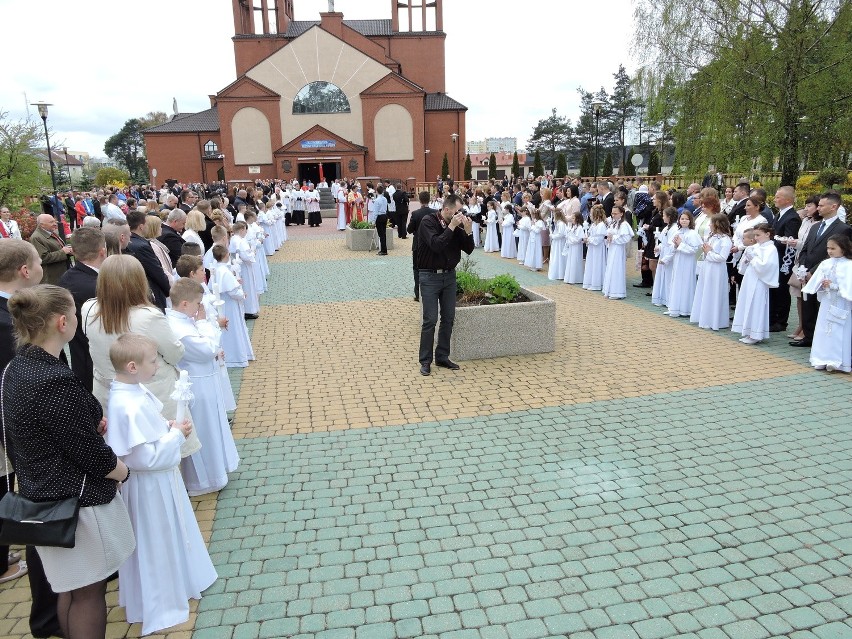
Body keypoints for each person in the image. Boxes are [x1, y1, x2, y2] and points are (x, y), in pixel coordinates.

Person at [3, 284, 135, 639]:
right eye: (75, 314)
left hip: (42, 496)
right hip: (75, 503)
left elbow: (37, 429)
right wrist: (121, 470)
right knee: (89, 592)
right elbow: (90, 454)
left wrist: (85, 421)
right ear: (63, 322)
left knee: (71, 588)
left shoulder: (18, 368)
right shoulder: (52, 379)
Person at [104, 333, 216, 635]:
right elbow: (145, 458)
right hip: (148, 486)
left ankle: (179, 581)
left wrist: (166, 427)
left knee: (166, 534)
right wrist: (176, 436)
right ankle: (160, 600)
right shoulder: (128, 404)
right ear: (131, 366)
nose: (157, 365)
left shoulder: (131, 392)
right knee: (156, 539)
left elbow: (146, 436)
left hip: (155, 483)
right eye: (152, 361)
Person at [82, 255, 200, 458]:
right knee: (163, 452)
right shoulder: (148, 316)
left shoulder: (89, 309)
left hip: (109, 394)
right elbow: (175, 352)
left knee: (123, 454)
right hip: (152, 394)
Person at [167, 278, 240, 495]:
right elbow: (206, 348)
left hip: (205, 380)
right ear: (185, 304)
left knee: (213, 427)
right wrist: (203, 323)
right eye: (198, 303)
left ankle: (218, 470)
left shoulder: (183, 319)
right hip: (197, 385)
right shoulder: (180, 326)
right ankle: (205, 480)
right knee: (205, 430)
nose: (200, 308)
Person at [415, 193, 474, 375]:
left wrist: (468, 230)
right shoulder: (428, 221)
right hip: (429, 277)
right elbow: (436, 245)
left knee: (448, 318)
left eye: (461, 212)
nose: (459, 215)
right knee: (430, 320)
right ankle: (425, 360)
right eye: (457, 212)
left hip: (449, 277)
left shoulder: (455, 225)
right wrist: (452, 226)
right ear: (447, 209)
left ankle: (442, 356)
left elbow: (469, 249)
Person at [792, 192, 852, 347]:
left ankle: (823, 339)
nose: (818, 208)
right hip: (807, 271)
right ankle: (809, 336)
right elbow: (805, 248)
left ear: (834, 206)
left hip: (826, 273)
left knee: (822, 306)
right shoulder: (815, 226)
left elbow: (836, 253)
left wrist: (815, 270)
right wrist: (804, 268)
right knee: (808, 304)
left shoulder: (844, 228)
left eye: (821, 205)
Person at [58, 227, 106, 392]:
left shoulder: (66, 278)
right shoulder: (99, 285)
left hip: (79, 353)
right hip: (99, 360)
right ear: (102, 251)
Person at [801, 235, 852, 372]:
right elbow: (815, 282)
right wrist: (820, 285)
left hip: (841, 303)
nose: (829, 251)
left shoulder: (849, 265)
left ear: (843, 248)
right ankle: (821, 357)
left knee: (839, 330)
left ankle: (838, 361)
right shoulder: (825, 263)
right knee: (824, 328)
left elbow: (849, 288)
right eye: (828, 248)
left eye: (833, 248)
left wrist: (834, 286)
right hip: (827, 302)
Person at [731, 223, 779, 343]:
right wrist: (746, 260)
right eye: (755, 235)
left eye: (758, 235)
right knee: (748, 304)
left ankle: (756, 334)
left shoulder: (770, 249)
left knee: (756, 305)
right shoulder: (756, 247)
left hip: (760, 280)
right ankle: (749, 331)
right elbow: (743, 266)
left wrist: (754, 259)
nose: (756, 238)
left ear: (768, 234)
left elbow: (767, 266)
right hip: (750, 278)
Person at [210, 245, 255, 367]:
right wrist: (242, 294)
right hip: (230, 304)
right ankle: (236, 357)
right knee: (234, 328)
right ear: (226, 255)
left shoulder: (216, 269)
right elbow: (233, 291)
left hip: (224, 303)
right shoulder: (224, 271)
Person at [690, 214, 733, 330]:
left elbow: (722, 257)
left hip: (717, 270)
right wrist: (706, 251)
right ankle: (705, 317)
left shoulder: (725, 240)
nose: (709, 225)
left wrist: (708, 252)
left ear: (717, 224)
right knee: (706, 291)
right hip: (707, 267)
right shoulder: (713, 237)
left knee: (715, 292)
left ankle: (715, 320)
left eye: (711, 223)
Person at [769, 185, 802, 332]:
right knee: (775, 288)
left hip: (784, 259)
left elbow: (789, 240)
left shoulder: (792, 217)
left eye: (778, 197)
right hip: (774, 257)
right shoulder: (780, 213)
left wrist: (772, 241)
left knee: (782, 289)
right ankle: (773, 317)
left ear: (788, 200)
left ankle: (781, 321)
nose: (775, 199)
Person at [125, 211, 171, 310]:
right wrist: (169, 290)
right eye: (146, 224)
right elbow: (156, 271)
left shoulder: (131, 242)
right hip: (149, 291)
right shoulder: (142, 246)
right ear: (141, 226)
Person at [666, 211, 703, 318]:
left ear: (690, 220)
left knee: (686, 282)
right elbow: (671, 246)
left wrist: (681, 245)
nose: (684, 221)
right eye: (682, 219)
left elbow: (695, 250)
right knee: (676, 281)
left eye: (686, 219)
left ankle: (685, 308)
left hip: (688, 262)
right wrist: (675, 246)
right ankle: (674, 307)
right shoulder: (677, 232)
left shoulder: (693, 233)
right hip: (678, 260)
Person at [30, 213, 73, 285]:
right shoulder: (36, 237)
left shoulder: (51, 232)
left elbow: (59, 248)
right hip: (53, 277)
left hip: (62, 273)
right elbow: (43, 258)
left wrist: (69, 251)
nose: (55, 224)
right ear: (41, 225)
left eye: (54, 221)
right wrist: (63, 252)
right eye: (51, 222)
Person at [601, 205, 634, 300]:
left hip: (618, 249)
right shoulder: (614, 223)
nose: (613, 215)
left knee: (616, 269)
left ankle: (617, 292)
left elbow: (626, 237)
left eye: (615, 213)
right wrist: (608, 238)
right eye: (612, 213)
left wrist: (613, 238)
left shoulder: (624, 224)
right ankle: (609, 290)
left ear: (621, 214)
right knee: (610, 268)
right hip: (612, 248)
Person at [407, 192, 433, 302]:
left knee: (417, 269)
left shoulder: (415, 213)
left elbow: (409, 230)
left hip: (418, 245)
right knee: (432, 268)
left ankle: (418, 294)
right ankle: (432, 291)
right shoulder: (435, 212)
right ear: (429, 199)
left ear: (419, 200)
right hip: (432, 244)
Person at [651, 207, 678, 307]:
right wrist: (659, 247)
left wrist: (666, 259)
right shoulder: (667, 227)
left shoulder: (675, 228)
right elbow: (664, 242)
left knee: (669, 277)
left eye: (664, 215)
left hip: (669, 256)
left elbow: (672, 246)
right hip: (664, 253)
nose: (662, 217)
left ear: (669, 217)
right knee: (662, 276)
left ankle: (668, 299)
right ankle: (662, 298)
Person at [582, 205, 608, 291]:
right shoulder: (593, 225)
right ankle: (590, 282)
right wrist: (587, 238)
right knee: (591, 263)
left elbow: (599, 239)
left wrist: (588, 240)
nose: (590, 215)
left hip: (598, 249)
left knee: (597, 264)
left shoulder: (601, 225)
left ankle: (597, 283)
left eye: (591, 213)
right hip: (592, 248)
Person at [563, 212, 585, 285]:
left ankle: (575, 278)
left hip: (576, 247)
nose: (571, 219)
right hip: (572, 247)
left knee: (575, 260)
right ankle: (570, 277)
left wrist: (569, 238)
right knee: (571, 260)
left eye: (573, 218)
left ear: (577, 219)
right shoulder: (574, 227)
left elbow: (578, 239)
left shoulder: (580, 228)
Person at [374, 184, 389, 255]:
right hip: (384, 215)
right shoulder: (384, 199)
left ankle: (383, 250)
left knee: (381, 234)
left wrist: (373, 221)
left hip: (379, 217)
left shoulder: (377, 200)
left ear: (377, 192)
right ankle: (384, 249)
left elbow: (375, 212)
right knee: (384, 233)